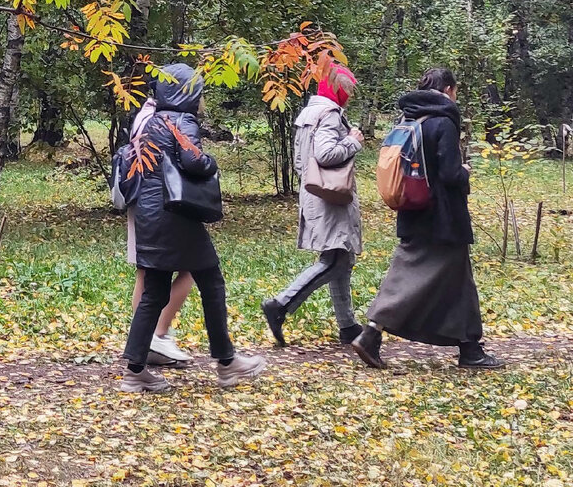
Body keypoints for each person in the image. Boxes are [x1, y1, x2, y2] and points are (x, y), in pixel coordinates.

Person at [119, 63, 267, 392]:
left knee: (154, 293)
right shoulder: (182, 121)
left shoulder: (150, 120)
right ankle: (227, 363)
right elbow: (193, 161)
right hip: (176, 217)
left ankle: (134, 372)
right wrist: (210, 162)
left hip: (149, 215)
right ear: (188, 92)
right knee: (212, 282)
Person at [351, 67, 504, 371]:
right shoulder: (443, 121)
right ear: (448, 90)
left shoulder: (408, 117)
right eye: (455, 91)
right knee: (416, 277)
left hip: (413, 210)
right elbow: (449, 174)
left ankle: (469, 348)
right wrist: (465, 172)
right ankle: (371, 334)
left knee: (452, 281)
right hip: (442, 218)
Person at [262, 65, 364, 347]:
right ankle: (280, 305)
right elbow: (326, 154)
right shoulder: (330, 114)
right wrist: (352, 142)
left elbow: (300, 162)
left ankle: (348, 326)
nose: (350, 96)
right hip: (331, 198)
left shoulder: (309, 114)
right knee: (335, 260)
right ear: (338, 89)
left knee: (340, 258)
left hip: (316, 194)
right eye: (348, 90)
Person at [124, 95, 194, 368]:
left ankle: (144, 341)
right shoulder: (165, 118)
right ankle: (157, 336)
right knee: (191, 267)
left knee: (145, 272)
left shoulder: (145, 115)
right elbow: (186, 160)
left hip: (140, 201)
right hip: (161, 204)